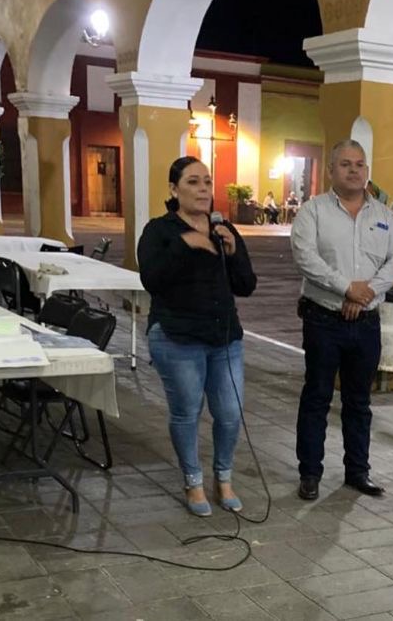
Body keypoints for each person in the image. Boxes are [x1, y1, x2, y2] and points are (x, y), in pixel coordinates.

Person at [137, 156, 257, 517]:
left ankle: (224, 479)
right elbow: (152, 280)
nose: (203, 189)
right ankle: (193, 482)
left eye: (207, 182)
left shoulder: (224, 230)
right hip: (177, 338)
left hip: (224, 338)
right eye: (193, 182)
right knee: (187, 413)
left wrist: (233, 254)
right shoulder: (160, 231)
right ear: (174, 189)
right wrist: (186, 245)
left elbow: (246, 285)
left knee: (230, 413)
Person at [290, 139, 393, 501]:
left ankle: (358, 472)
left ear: (366, 170)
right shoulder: (312, 212)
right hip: (323, 320)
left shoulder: (384, 216)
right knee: (317, 397)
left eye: (359, 164)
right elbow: (305, 257)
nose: (354, 170)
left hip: (367, 325)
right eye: (345, 164)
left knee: (359, 402)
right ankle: (310, 473)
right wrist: (346, 288)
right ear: (331, 170)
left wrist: (365, 293)